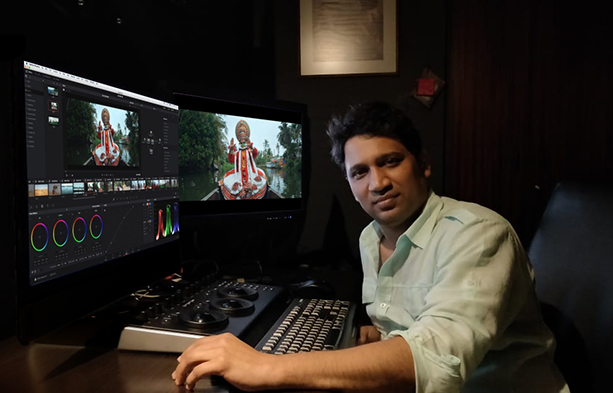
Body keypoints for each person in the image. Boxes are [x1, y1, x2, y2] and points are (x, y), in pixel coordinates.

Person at [172, 101, 569, 392]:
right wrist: (383, 337)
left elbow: (435, 361)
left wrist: (267, 367)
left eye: (390, 161)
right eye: (359, 172)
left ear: (423, 164)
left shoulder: (478, 234)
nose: (377, 183)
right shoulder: (371, 236)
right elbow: (414, 327)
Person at [220, 119, 268, 200]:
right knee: (227, 181)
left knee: (260, 181)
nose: (242, 140)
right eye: (241, 138)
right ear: (238, 139)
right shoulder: (237, 153)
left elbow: (255, 154)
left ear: (247, 139)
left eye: (244, 138)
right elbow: (231, 160)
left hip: (250, 173)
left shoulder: (249, 151)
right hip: (238, 174)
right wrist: (231, 150)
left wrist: (251, 147)